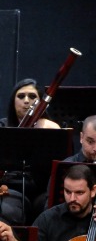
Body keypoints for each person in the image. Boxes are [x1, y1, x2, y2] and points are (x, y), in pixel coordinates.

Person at [1, 78, 62, 224]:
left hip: (41, 189)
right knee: (8, 210)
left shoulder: (50, 128)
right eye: (21, 96)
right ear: (13, 101)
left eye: (32, 96)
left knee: (52, 212)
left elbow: (61, 165)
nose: (26, 101)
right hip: (10, 187)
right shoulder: (2, 127)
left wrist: (53, 129)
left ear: (41, 102)